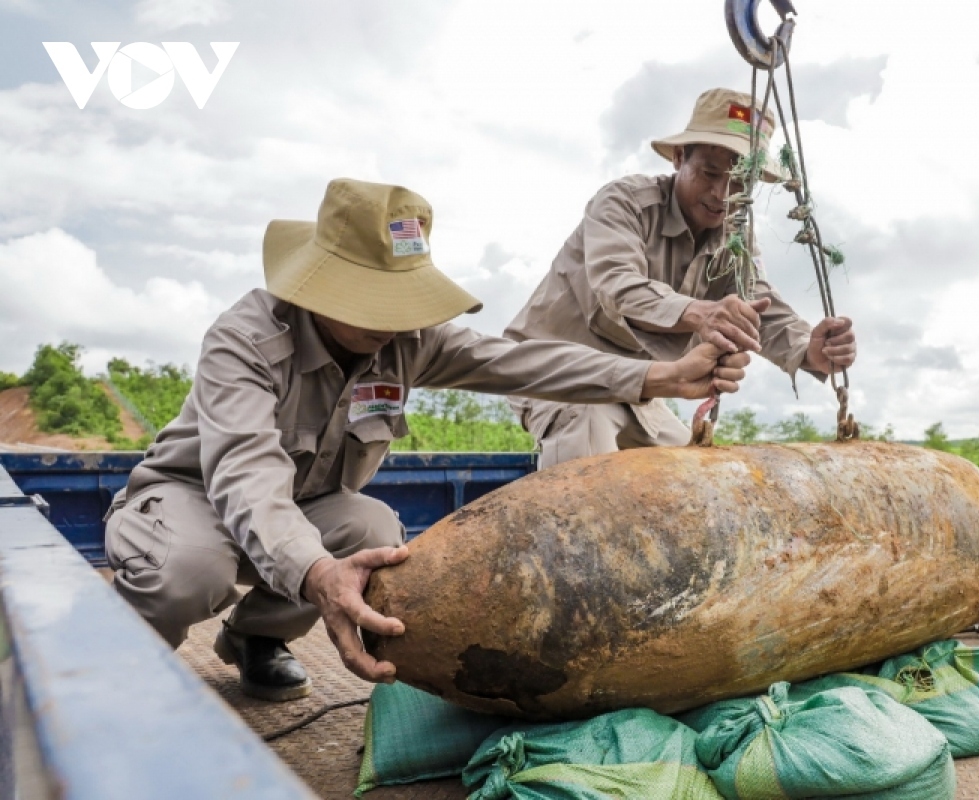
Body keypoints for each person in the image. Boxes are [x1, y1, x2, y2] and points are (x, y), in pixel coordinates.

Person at [104, 178, 750, 701]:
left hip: (304, 504)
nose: (395, 321)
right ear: (321, 284)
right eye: (373, 300)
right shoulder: (246, 338)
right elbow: (246, 475)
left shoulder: (406, 339)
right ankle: (113, 672)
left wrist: (662, 375)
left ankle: (255, 637)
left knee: (375, 533)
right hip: (197, 497)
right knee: (190, 571)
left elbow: (523, 363)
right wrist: (319, 571)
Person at [505, 87, 858, 467]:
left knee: (704, 474)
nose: (722, 194)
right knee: (587, 439)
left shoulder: (734, 239)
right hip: (557, 372)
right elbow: (618, 286)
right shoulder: (623, 203)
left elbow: (759, 305)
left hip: (637, 391)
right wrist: (701, 314)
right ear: (678, 158)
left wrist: (810, 350)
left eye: (741, 183)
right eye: (709, 173)